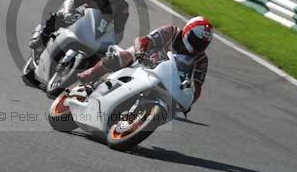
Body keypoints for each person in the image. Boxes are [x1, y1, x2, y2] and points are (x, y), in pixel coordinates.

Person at [78, 16, 213, 115]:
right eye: (195, 40)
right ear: (187, 32)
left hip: (166, 82)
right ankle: (91, 74)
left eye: (202, 44)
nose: (197, 46)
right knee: (122, 57)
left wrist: (188, 103)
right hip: (144, 61)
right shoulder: (171, 32)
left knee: (170, 111)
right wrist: (141, 51)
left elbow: (197, 86)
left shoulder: (201, 60)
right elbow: (144, 39)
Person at [29, 0, 130, 49]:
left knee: (102, 55)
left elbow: (119, 29)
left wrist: (114, 42)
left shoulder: (123, 6)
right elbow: (74, 0)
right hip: (80, 17)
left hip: (99, 30)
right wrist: (68, 12)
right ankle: (41, 39)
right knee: (58, 16)